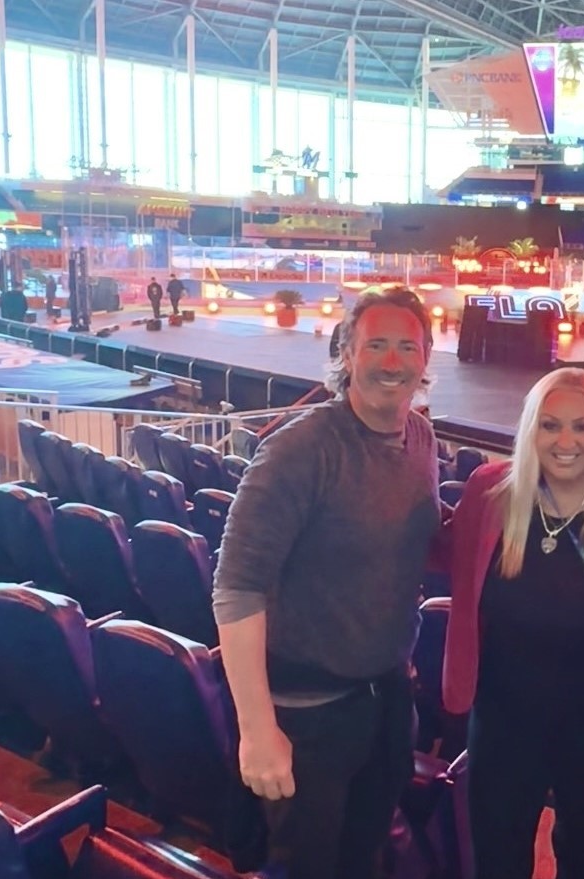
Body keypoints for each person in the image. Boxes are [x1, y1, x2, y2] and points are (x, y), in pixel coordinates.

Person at [212, 286, 442, 879]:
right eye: (376, 345)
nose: (391, 361)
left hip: (385, 701)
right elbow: (236, 586)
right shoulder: (300, 449)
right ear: (346, 354)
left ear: (425, 358)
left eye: (407, 347)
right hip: (306, 716)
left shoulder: (421, 438)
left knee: (364, 858)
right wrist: (257, 730)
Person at [441, 367, 584, 879]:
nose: (566, 442)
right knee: (497, 862)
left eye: (581, 427)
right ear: (530, 430)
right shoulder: (489, 493)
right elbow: (442, 553)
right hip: (503, 720)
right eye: (550, 425)